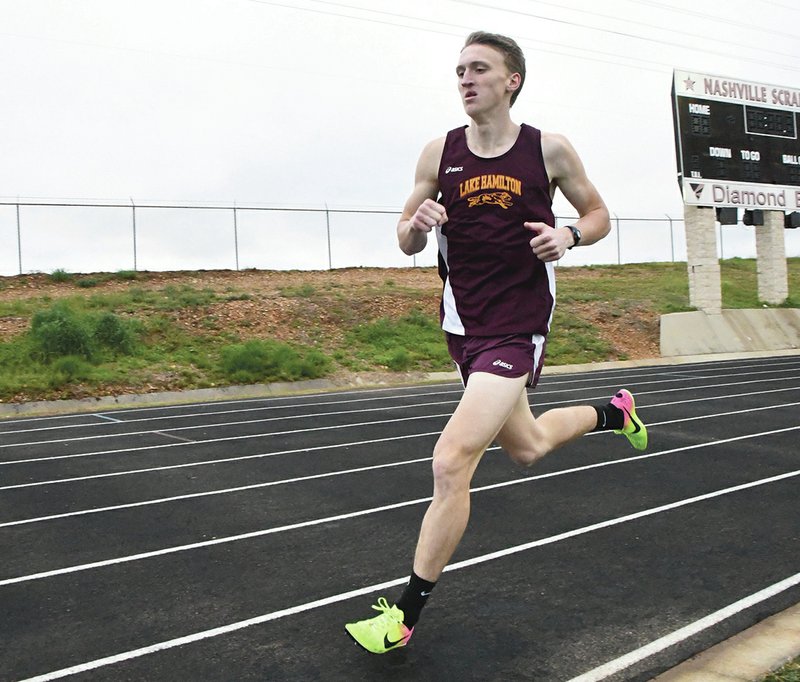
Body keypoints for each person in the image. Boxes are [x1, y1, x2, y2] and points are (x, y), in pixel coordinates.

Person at [345, 31, 647, 654]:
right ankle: (611, 413)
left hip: (519, 320)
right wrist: (416, 227)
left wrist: (569, 236)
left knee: (452, 459)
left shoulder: (548, 149)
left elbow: (599, 215)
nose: (464, 79)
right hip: (464, 324)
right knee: (528, 447)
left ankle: (402, 617)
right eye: (459, 70)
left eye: (478, 69)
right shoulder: (439, 154)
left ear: (512, 80)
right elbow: (403, 235)